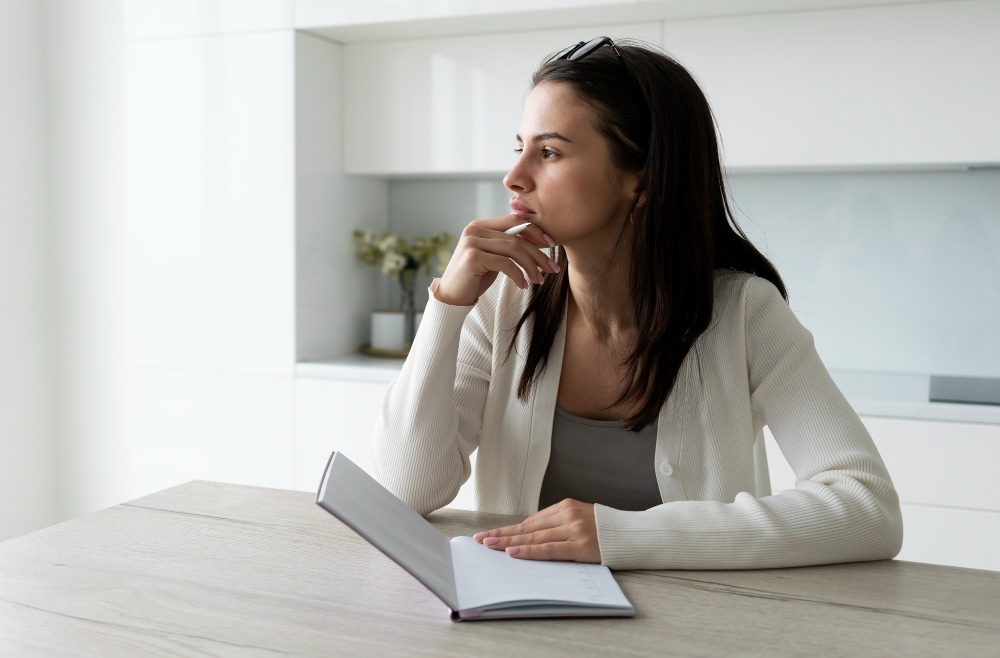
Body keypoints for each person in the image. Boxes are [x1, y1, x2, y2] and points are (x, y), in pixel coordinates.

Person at [370, 37, 903, 570]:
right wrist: (449, 304)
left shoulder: (744, 314)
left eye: (549, 152)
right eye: (520, 148)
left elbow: (867, 506)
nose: (515, 176)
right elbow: (405, 489)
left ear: (642, 179)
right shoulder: (504, 304)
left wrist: (620, 535)